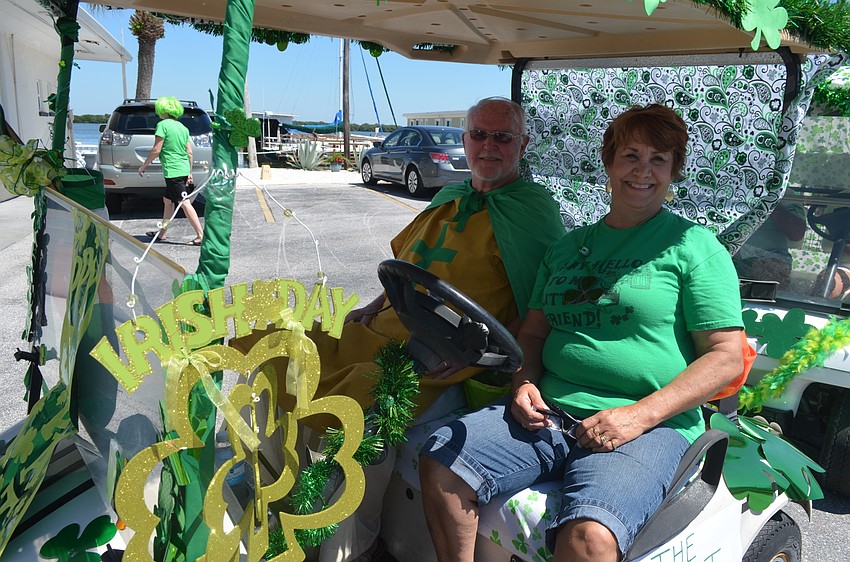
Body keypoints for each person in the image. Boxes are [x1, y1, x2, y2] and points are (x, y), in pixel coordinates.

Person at [231, 96, 565, 561]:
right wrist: (372, 303)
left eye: (503, 137)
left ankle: (347, 550)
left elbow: (537, 307)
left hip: (446, 359)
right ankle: (271, 499)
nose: (489, 146)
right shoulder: (450, 198)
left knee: (361, 425)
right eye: (479, 135)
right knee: (274, 361)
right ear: (465, 140)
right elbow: (411, 266)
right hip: (383, 331)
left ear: (523, 144)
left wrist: (488, 355)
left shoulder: (533, 214)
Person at [418, 104, 745, 562]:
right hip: (550, 412)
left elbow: (726, 357)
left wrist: (638, 416)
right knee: (441, 460)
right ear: (609, 162)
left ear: (674, 171)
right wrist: (524, 382)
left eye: (659, 160)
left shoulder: (694, 247)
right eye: (631, 156)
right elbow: (531, 334)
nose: (642, 171)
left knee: (589, 537)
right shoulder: (567, 249)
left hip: (650, 426)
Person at [139, 96, 204, 246]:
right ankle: (162, 233)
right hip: (182, 169)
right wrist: (189, 171)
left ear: (163, 110)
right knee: (168, 201)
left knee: (184, 202)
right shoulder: (183, 128)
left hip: (173, 171)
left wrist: (144, 165)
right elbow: (189, 152)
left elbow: (156, 149)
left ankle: (201, 235)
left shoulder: (163, 125)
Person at [733, 201, 806, 288]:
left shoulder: (790, 196)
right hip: (728, 256)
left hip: (770, 261)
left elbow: (796, 233)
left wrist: (770, 199)